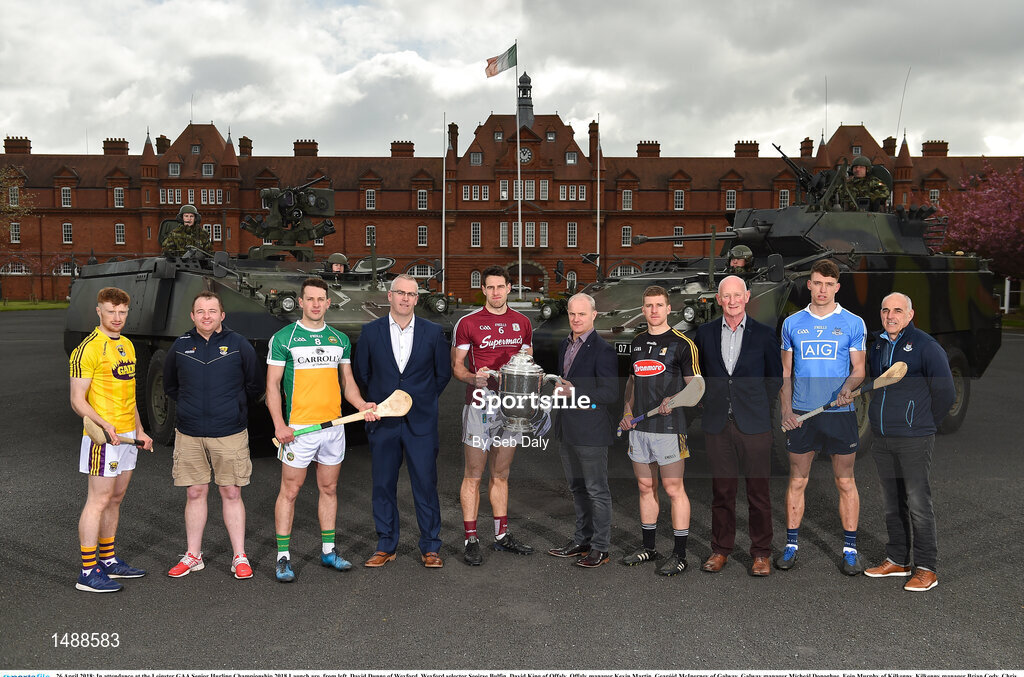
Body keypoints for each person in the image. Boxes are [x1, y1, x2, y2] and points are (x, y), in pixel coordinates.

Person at [267, 277, 378, 583]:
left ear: (329, 303)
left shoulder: (339, 339)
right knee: (290, 491)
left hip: (333, 428)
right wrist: (280, 424)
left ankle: (328, 551)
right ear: (301, 302)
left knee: (329, 489)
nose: (316, 305)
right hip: (299, 428)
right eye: (310, 299)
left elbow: (348, 383)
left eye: (321, 300)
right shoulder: (283, 338)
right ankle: (283, 557)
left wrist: (361, 405)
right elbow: (272, 385)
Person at [162, 291, 263, 580]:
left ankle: (239, 556)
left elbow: (254, 384)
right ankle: (193, 555)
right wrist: (193, 407)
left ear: (222, 315)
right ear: (192, 316)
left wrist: (233, 407)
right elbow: (170, 386)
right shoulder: (180, 346)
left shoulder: (238, 345)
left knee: (231, 492)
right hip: (190, 433)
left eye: (212, 310)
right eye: (200, 311)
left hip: (229, 432)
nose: (206, 316)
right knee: (195, 492)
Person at [353, 274, 452, 568]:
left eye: (411, 294)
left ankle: (430, 547)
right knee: (383, 484)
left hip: (420, 422)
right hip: (383, 422)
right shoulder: (370, 332)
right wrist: (384, 404)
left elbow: (442, 374)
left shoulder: (433, 332)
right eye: (400, 293)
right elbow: (363, 374)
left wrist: (421, 401)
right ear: (390, 296)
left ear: (416, 299)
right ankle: (386, 545)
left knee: (425, 483)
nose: (405, 299)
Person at [779, 258, 867, 575]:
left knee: (845, 482)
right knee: (797, 480)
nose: (823, 289)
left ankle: (850, 549)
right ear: (810, 285)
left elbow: (859, 371)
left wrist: (848, 387)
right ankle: (791, 546)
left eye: (829, 284)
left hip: (840, 413)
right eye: (817, 283)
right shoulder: (792, 323)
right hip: (803, 413)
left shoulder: (853, 323)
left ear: (837, 287)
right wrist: (787, 410)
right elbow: (786, 374)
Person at [864, 292, 954, 592]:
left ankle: (927, 568)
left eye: (898, 311)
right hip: (883, 436)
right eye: (886, 310)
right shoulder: (877, 345)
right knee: (892, 502)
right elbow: (877, 383)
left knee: (918, 503)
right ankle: (897, 560)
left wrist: (924, 423)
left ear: (910, 314)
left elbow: (946, 394)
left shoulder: (926, 346)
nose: (891, 316)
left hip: (914, 437)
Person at [694, 275, 782, 577]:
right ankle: (720, 550)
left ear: (746, 297)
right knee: (722, 492)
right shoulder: (703, 334)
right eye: (725, 296)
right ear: (719, 300)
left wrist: (755, 405)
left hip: (754, 424)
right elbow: (699, 377)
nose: (731, 301)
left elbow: (774, 379)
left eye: (737, 295)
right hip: (718, 424)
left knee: (759, 493)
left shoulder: (765, 334)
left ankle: (761, 553)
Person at [69, 287, 154, 592]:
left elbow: (128, 396)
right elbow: (78, 400)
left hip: (127, 435)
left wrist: (140, 430)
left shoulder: (128, 346)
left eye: (122, 312)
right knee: (98, 500)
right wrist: (104, 426)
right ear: (99, 311)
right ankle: (88, 572)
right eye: (110, 311)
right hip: (103, 438)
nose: (117, 317)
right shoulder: (88, 348)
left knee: (116, 498)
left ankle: (107, 561)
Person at [451, 265, 535, 565]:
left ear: (509, 288)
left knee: (501, 474)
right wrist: (474, 377)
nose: (496, 292)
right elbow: (457, 367)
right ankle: (471, 538)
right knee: (473, 474)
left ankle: (501, 536)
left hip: (510, 406)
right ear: (483, 290)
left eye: (501, 287)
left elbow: (527, 364)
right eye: (490, 287)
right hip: (479, 404)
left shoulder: (523, 322)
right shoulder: (468, 322)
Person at [618, 285, 701, 576]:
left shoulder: (682, 343)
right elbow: (631, 383)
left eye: (659, 305)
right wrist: (627, 412)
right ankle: (649, 548)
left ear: (669, 309)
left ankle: (679, 555)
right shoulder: (637, 341)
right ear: (643, 310)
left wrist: (674, 401)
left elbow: (696, 388)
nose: (654, 310)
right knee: (645, 487)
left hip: (668, 428)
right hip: (639, 428)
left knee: (673, 489)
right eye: (649, 306)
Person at [546, 293, 619, 568]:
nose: (576, 319)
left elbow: (611, 392)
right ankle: (582, 540)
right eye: (572, 314)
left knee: (596, 490)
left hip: (591, 431)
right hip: (568, 428)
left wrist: (574, 390)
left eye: (582, 314)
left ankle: (601, 547)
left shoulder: (603, 350)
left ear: (593, 315)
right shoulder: (566, 345)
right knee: (577, 488)